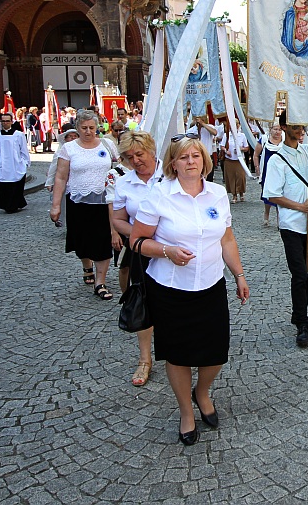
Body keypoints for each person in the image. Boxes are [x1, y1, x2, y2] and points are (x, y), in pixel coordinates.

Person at [129, 134, 249, 444]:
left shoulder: (217, 194)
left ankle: (202, 392)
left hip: (211, 284)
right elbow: (137, 242)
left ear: (205, 161)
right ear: (173, 163)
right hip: (170, 288)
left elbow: (227, 239)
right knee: (178, 355)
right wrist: (167, 251)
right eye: (184, 157)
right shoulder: (159, 195)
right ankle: (186, 411)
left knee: (216, 353)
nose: (191, 161)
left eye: (196, 155)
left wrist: (238, 274)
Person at [262, 111, 308, 348]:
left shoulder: (307, 151)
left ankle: (298, 313)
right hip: (292, 224)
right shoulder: (276, 159)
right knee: (300, 274)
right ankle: (301, 323)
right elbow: (272, 194)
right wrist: (300, 206)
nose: (300, 129)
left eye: (301, 125)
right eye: (295, 125)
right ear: (283, 127)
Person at [110, 130, 162, 387]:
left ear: (151, 150)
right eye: (129, 157)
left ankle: (180, 353)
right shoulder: (124, 183)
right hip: (141, 249)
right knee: (143, 300)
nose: (136, 161)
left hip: (174, 248)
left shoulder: (170, 175)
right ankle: (145, 359)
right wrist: (143, 235)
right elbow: (118, 220)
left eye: (139, 154)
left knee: (178, 299)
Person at [50, 110, 117, 301]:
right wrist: (56, 205)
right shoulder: (69, 148)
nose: (88, 131)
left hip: (103, 201)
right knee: (81, 240)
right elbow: (61, 177)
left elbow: (119, 168)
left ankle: (100, 281)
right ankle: (86, 265)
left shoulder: (107, 144)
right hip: (78, 201)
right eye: (84, 128)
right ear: (77, 128)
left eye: (92, 128)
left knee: (103, 240)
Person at [0, 110, 31, 213]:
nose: (5, 123)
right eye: (3, 121)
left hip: (16, 163)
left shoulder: (19, 135)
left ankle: (15, 204)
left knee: (16, 186)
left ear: (12, 122)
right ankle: (6, 205)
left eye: (7, 121)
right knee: (3, 186)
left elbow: (23, 149)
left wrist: (25, 161)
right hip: (2, 164)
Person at [253, 123, 283, 227]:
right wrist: (257, 168)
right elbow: (256, 155)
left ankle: (280, 218)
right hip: (266, 171)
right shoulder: (264, 139)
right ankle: (266, 213)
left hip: (280, 172)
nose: (277, 132)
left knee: (280, 194)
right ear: (271, 130)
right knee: (267, 193)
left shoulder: (284, 141)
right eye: (275, 129)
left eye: (279, 129)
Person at [218, 120, 249, 203]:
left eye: (236, 125)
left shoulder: (242, 136)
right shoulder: (227, 136)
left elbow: (246, 148)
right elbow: (222, 146)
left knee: (241, 177)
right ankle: (234, 195)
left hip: (239, 160)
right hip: (229, 160)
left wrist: (240, 149)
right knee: (231, 177)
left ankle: (241, 192)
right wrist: (226, 151)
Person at [186, 115, 218, 182]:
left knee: (209, 178)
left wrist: (203, 124)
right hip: (196, 157)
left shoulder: (209, 127)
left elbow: (215, 133)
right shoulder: (190, 131)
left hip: (208, 156)